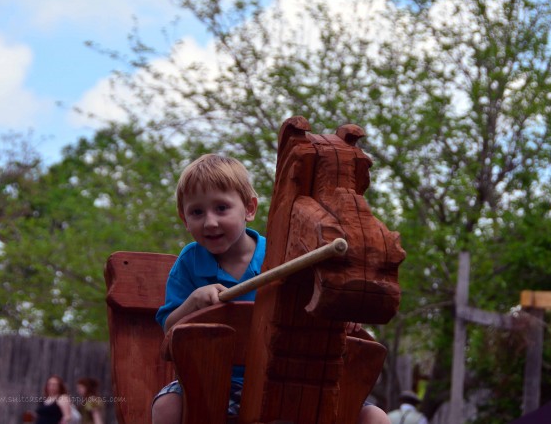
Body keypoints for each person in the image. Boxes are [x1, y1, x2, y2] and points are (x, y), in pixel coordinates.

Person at [151, 153, 389, 424]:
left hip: (293, 375)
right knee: (166, 406)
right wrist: (192, 304)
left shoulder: (284, 254)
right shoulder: (189, 263)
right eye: (197, 212)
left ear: (249, 209)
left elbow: (323, 300)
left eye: (221, 208)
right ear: (184, 219)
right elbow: (169, 329)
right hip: (217, 381)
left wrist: (344, 317)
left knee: (375, 417)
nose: (210, 222)